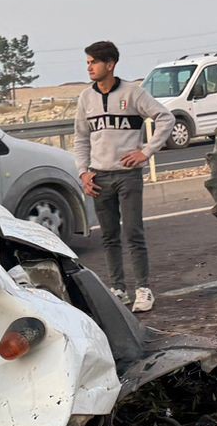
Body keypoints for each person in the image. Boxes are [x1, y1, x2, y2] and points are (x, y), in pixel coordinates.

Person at [71, 40, 173, 312]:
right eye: (88, 62)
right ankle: (118, 288)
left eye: (94, 62)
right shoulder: (85, 98)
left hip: (128, 176)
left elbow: (166, 118)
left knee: (133, 232)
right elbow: (81, 138)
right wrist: (83, 173)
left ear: (111, 64)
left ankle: (143, 289)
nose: (89, 67)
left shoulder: (133, 93)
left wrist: (146, 151)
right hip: (99, 178)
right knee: (109, 236)